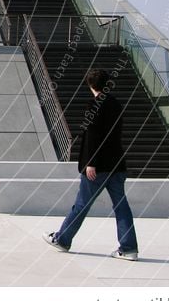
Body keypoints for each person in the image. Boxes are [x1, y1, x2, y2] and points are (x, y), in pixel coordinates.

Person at [44, 69, 139, 261]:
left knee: (81, 204)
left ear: (90, 85)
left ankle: (62, 239)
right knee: (121, 207)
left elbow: (94, 136)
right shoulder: (116, 105)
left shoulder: (94, 105)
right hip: (117, 164)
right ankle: (128, 248)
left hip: (99, 166)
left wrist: (91, 163)